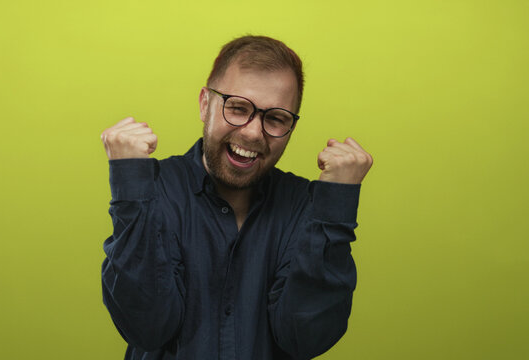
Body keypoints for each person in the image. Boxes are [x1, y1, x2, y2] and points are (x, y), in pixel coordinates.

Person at [100, 35, 373, 360]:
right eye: (238, 108)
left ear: (290, 127)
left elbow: (306, 339)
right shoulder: (152, 190)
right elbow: (147, 327)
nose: (253, 133)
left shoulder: (309, 207)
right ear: (205, 104)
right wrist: (130, 186)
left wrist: (336, 205)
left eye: (275, 118)